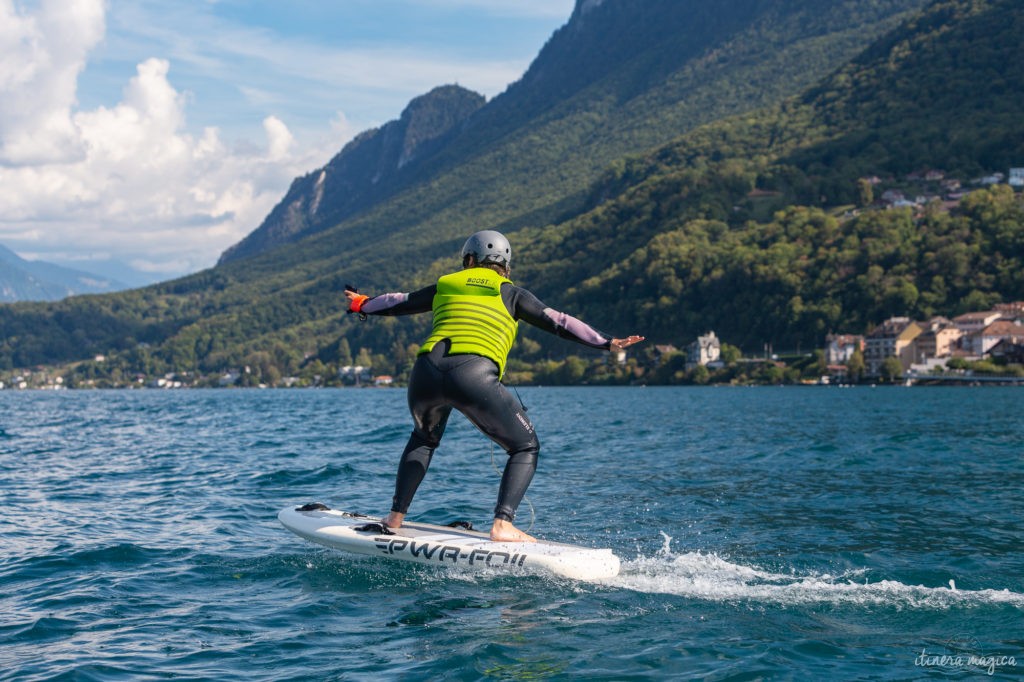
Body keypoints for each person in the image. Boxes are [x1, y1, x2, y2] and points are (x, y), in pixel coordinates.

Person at [345, 230, 644, 542]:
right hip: (473, 376)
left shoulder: (445, 284)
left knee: (423, 439)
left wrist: (362, 304)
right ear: (504, 265)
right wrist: (608, 343)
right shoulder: (511, 293)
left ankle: (395, 518)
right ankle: (503, 524)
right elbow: (560, 321)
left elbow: (397, 302)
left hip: (425, 374)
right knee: (525, 446)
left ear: (470, 260)